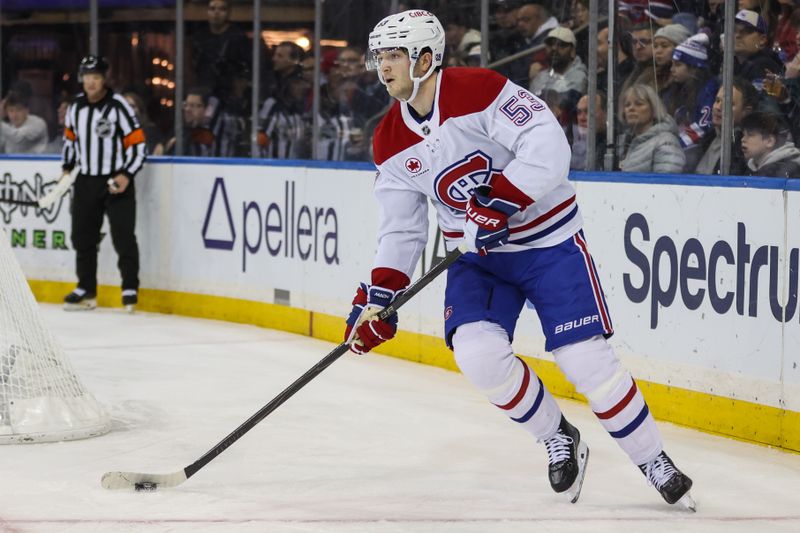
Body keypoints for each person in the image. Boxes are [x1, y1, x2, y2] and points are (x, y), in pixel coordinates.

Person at [344, 9, 695, 510]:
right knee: (477, 355)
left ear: (426, 57)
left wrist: (498, 201)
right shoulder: (389, 139)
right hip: (479, 260)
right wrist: (381, 296)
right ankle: (557, 436)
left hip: (547, 244)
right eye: (379, 56)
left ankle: (653, 460)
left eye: (394, 55)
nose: (383, 67)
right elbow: (401, 227)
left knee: (584, 360)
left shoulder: (478, 89)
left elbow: (547, 143)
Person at [61, 55, 147, 312]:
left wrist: (126, 174)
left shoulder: (119, 106)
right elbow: (70, 141)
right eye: (87, 76)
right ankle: (86, 289)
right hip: (86, 180)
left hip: (116, 180)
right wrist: (67, 169)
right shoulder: (75, 107)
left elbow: (139, 145)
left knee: (123, 236)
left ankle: (129, 287)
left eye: (96, 77)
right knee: (82, 236)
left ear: (104, 79)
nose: (91, 82)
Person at [618, 83, 685, 173]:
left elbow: (667, 183)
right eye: (627, 105)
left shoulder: (666, 142)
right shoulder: (627, 142)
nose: (631, 108)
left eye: (639, 104)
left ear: (653, 108)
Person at [740, 111, 800, 177]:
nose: (743, 139)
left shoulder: (786, 171)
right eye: (743, 135)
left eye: (750, 135)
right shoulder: (750, 168)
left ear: (769, 141)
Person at [0, 88, 49, 154]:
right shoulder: (9, 126)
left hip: (37, 163)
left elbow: (17, 136)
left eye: (19, 109)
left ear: (27, 110)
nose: (14, 115)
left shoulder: (38, 123)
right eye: (11, 110)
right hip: (12, 164)